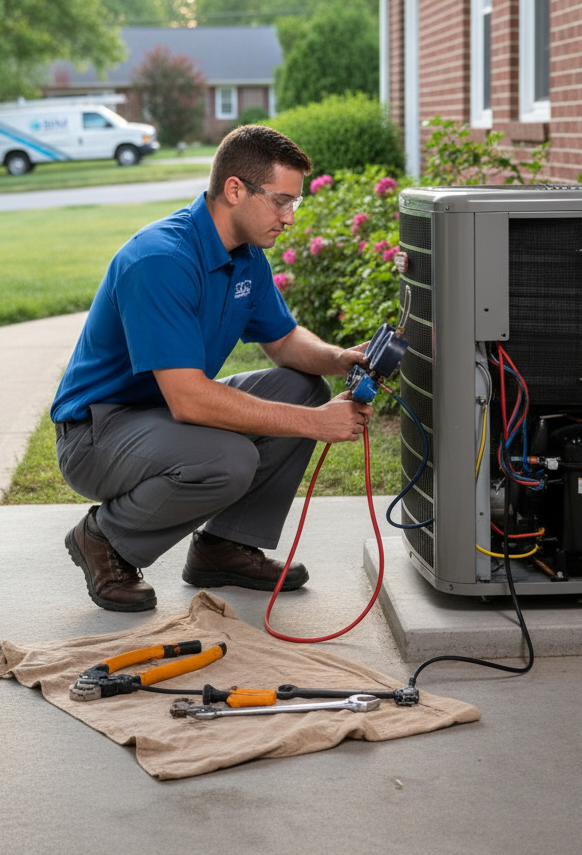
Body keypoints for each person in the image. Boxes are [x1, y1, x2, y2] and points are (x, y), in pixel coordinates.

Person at [50, 125, 373, 612]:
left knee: (303, 385)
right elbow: (190, 399)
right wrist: (316, 424)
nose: (289, 218)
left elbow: (284, 341)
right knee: (229, 459)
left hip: (156, 417)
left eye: (295, 204)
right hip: (96, 433)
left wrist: (339, 357)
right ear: (235, 189)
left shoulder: (245, 257)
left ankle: (223, 546)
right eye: (280, 202)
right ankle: (104, 540)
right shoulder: (160, 260)